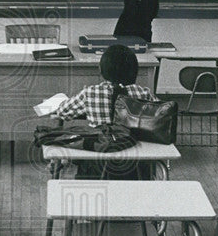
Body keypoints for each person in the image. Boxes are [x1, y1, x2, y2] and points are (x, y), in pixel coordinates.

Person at [54, 44, 156, 179]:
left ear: (101, 70)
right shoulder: (143, 93)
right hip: (136, 164)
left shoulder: (90, 92)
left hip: (97, 162)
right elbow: (161, 112)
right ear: (134, 71)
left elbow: (63, 112)